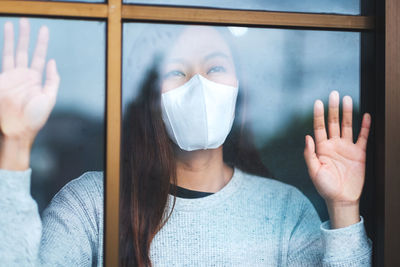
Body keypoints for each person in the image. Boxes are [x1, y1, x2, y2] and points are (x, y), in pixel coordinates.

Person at [0, 18, 372, 267]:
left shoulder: (285, 211)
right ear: (149, 97)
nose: (199, 84)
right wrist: (14, 147)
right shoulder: (92, 206)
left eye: (215, 68)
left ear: (238, 89)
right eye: (177, 70)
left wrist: (343, 208)